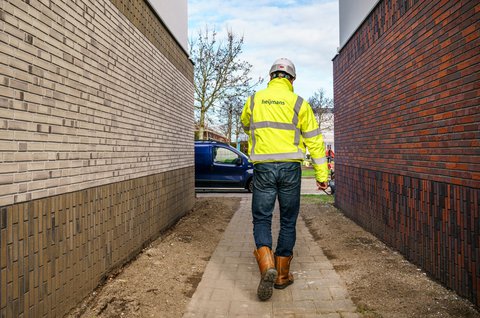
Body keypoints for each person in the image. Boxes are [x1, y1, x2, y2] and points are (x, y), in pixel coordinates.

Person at [241, 58, 329, 301]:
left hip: (264, 168)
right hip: (291, 168)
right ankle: (281, 275)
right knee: (288, 220)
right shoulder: (300, 103)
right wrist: (322, 176)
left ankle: (266, 262)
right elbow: (315, 142)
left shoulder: (254, 99)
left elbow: (245, 122)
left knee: (262, 218)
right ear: (292, 79)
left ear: (271, 77)